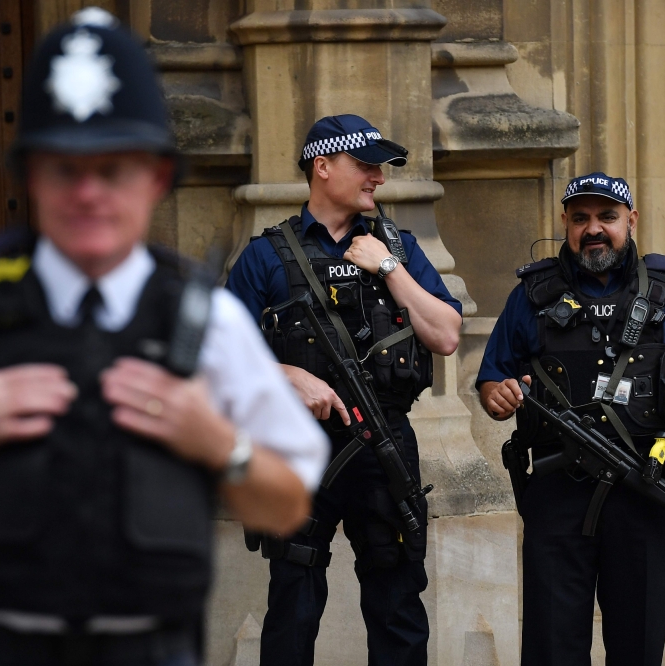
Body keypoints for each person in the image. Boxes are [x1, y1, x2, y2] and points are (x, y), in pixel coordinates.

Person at [0, 9, 328, 666]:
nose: (88, 193)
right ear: (31, 175)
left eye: (113, 169)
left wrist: (217, 442)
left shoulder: (205, 319)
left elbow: (287, 504)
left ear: (157, 177)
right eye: (64, 168)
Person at [226, 114, 463, 666]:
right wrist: (285, 375)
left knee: (397, 600)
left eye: (380, 167)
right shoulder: (266, 255)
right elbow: (217, 358)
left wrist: (389, 268)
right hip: (297, 445)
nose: (378, 177)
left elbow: (446, 335)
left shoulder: (396, 246)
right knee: (293, 602)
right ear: (323, 166)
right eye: (365, 165)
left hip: (383, 443)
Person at [477, 172, 665, 666]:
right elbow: (493, 380)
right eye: (580, 218)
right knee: (552, 649)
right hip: (558, 496)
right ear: (565, 222)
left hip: (645, 491)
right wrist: (500, 397)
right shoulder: (531, 295)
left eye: (607, 217)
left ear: (631, 220)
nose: (593, 229)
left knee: (638, 647)